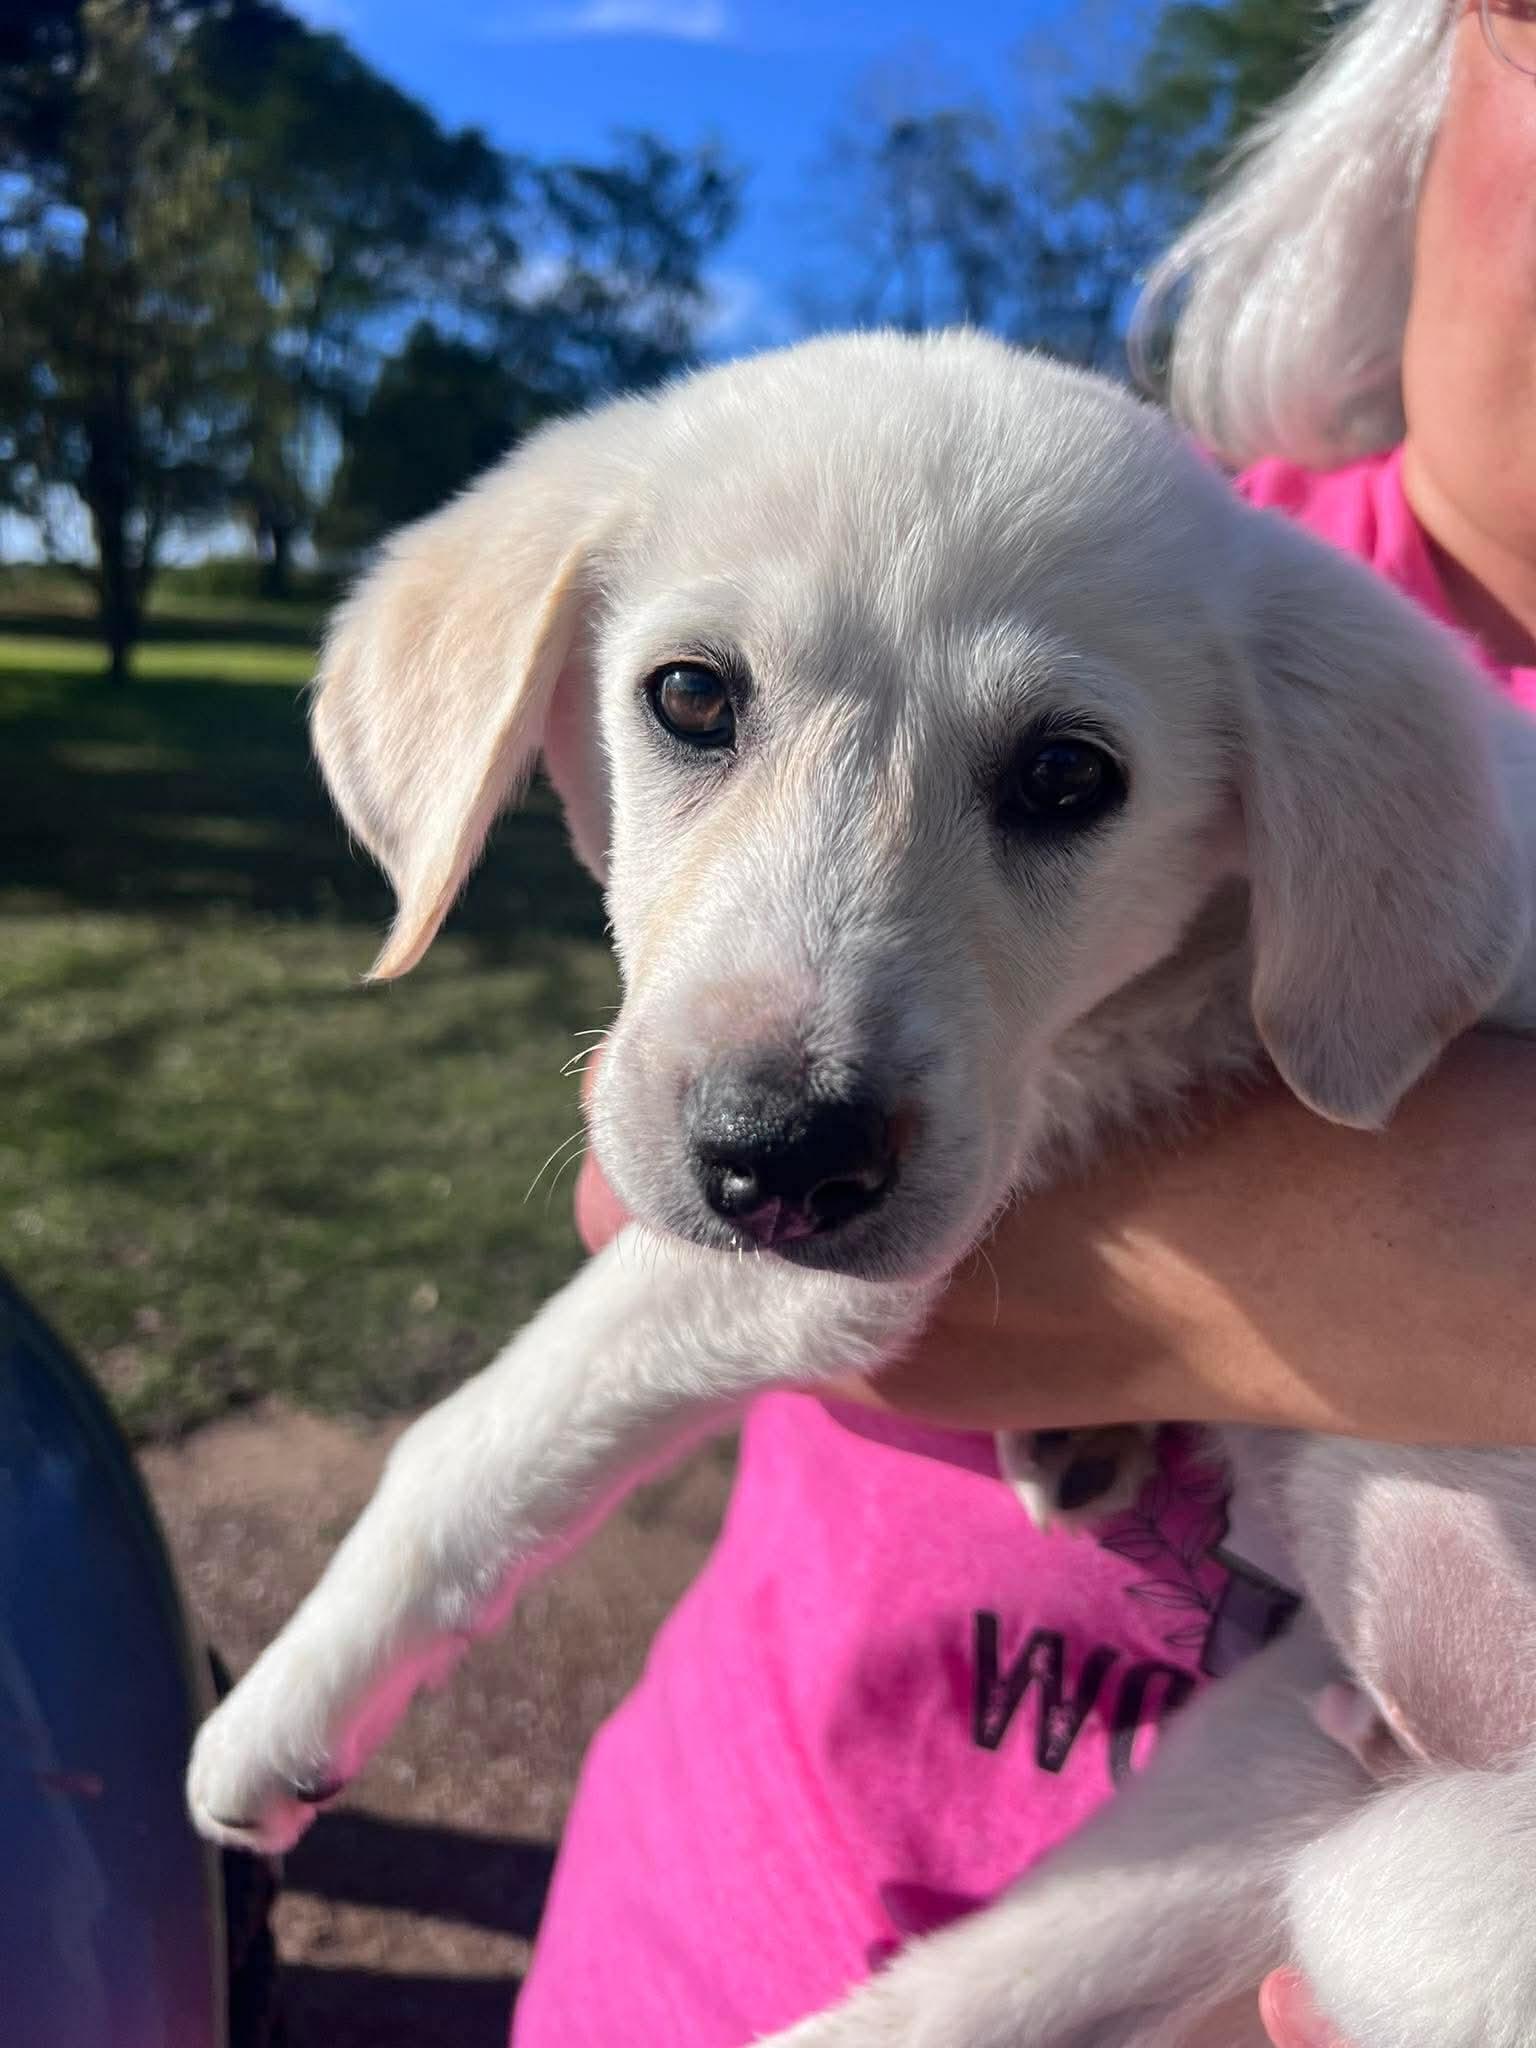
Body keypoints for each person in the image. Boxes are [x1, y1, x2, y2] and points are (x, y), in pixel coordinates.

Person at [510, 4, 1536, 2044]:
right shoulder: (1110, 567)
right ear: (1416, 91)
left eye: (1065, 787)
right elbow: (707, 1220)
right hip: (725, 1941)